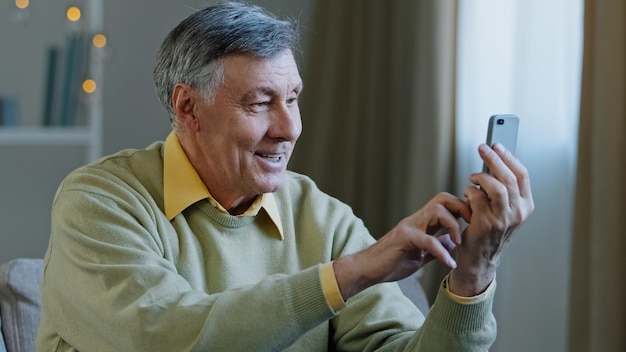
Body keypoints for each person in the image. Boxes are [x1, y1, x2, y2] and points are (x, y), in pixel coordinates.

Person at [36, 2, 534, 351]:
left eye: (293, 98)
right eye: (260, 103)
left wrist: (472, 276)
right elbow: (161, 337)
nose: (289, 128)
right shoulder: (99, 202)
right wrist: (351, 273)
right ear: (188, 107)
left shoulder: (323, 218)